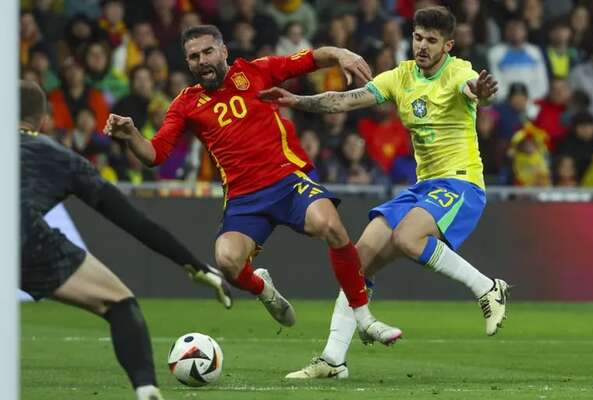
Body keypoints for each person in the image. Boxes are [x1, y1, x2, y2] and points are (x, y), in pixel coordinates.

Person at [104, 24, 402, 345]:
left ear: (223, 52)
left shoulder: (257, 72)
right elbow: (155, 153)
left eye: (207, 52)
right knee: (227, 260)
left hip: (287, 182)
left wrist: (341, 53)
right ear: (187, 63)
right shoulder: (185, 104)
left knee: (330, 225)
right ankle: (263, 288)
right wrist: (131, 135)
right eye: (193, 57)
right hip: (244, 200)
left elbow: (310, 59)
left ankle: (364, 317)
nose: (202, 61)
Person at [259, 6, 510, 379]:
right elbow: (346, 100)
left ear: (448, 45)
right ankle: (333, 360)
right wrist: (297, 101)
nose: (422, 46)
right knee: (356, 265)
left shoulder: (460, 71)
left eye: (432, 40)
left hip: (461, 182)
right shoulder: (401, 76)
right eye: (418, 37)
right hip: (423, 187)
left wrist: (482, 93)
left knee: (410, 238)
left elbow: (473, 89)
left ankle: (488, 288)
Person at [19, 80, 232, 400]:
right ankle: (146, 390)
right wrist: (193, 265)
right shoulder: (58, 157)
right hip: (21, 237)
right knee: (119, 303)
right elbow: (134, 222)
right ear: (43, 121)